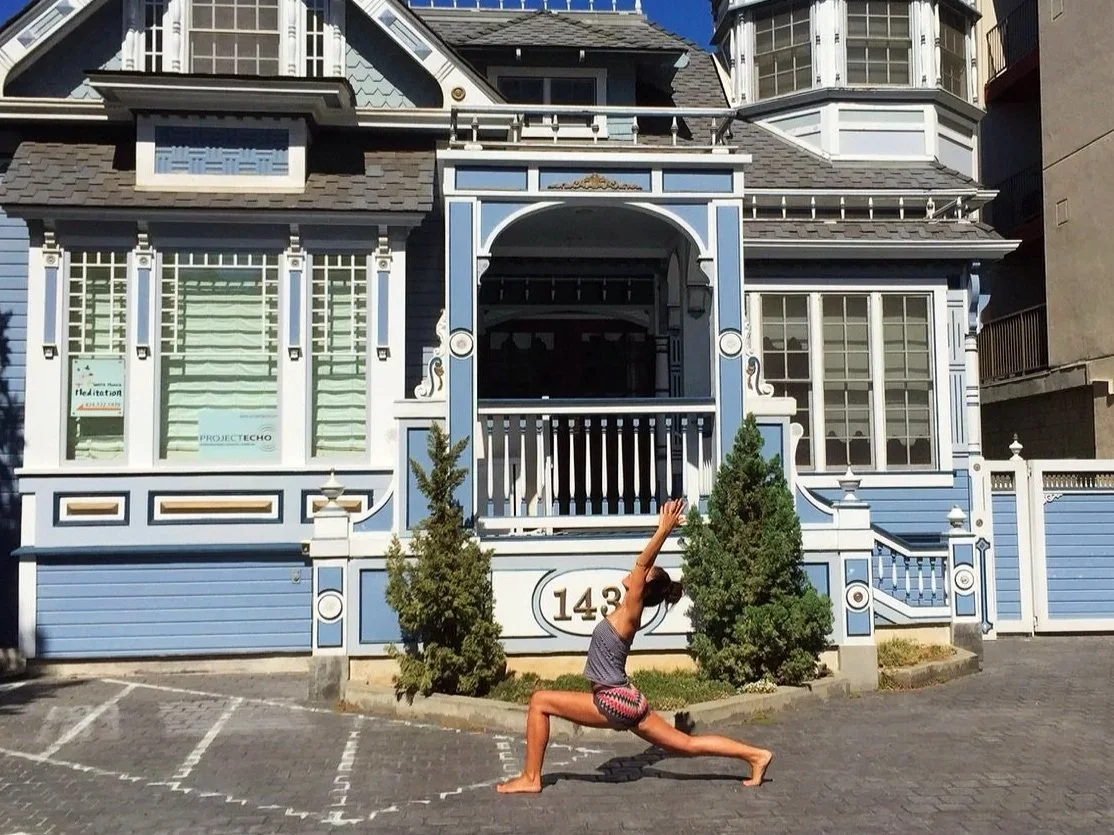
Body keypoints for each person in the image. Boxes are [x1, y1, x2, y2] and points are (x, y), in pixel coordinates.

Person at [497, 499, 773, 794]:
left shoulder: (632, 610)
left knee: (540, 701)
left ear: (644, 587)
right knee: (687, 744)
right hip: (627, 699)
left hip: (612, 700)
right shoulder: (624, 610)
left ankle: (531, 778)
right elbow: (642, 566)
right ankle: (756, 756)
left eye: (647, 571)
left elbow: (642, 564)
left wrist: (663, 531)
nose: (640, 567)